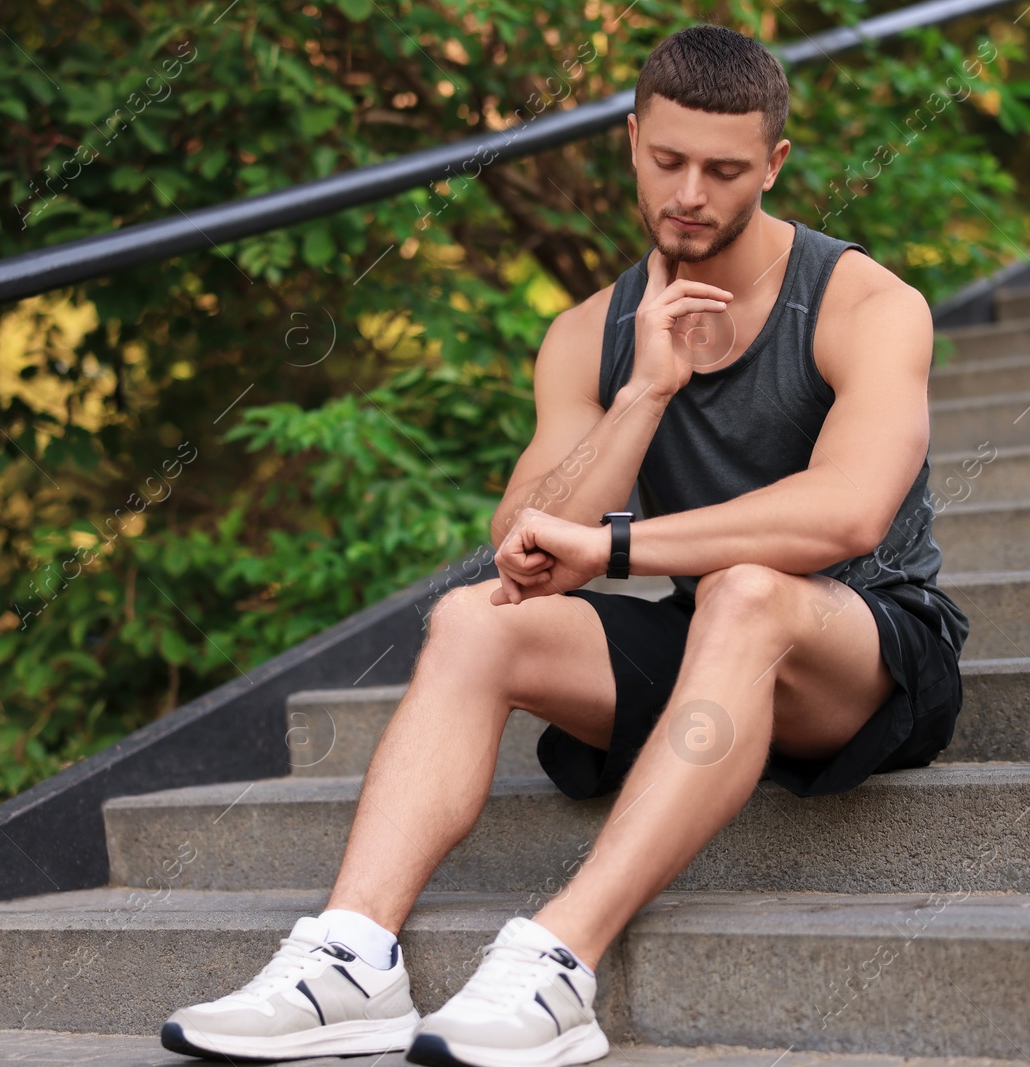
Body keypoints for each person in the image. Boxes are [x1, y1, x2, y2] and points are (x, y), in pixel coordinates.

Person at [161, 21, 970, 1067]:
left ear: (773, 164)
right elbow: (523, 540)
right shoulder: (593, 329)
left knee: (746, 591)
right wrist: (639, 396)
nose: (690, 192)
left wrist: (622, 547)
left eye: (724, 170)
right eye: (667, 159)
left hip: (867, 649)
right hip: (706, 653)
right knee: (470, 620)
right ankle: (352, 957)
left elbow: (848, 514)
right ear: (631, 140)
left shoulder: (864, 302)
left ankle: (558, 959)